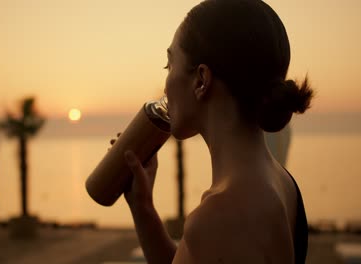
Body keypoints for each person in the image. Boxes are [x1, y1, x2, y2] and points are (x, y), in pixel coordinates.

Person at [119, 0, 314, 263]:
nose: (166, 85)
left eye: (169, 64)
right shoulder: (280, 181)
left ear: (201, 80)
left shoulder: (222, 214)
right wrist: (142, 207)